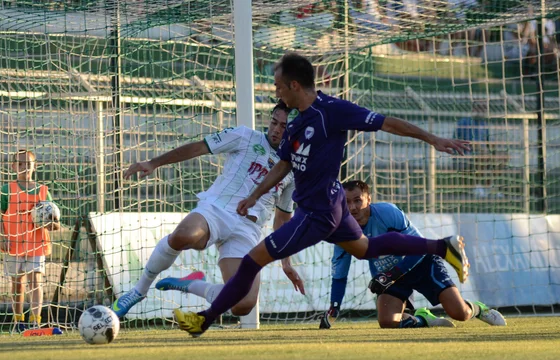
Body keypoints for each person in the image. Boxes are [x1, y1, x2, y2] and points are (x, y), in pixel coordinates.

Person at [173, 52, 472, 337]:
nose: (276, 91)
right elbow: (284, 164)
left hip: (318, 212)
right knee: (365, 248)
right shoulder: (297, 121)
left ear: (294, 85)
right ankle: (442, 247)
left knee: (251, 261)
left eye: (278, 85)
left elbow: (386, 122)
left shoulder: (332, 111)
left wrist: (432, 138)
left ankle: (204, 320)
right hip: (329, 205)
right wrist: (254, 195)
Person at [112, 101, 305, 324]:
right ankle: (138, 290)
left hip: (248, 229)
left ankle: (191, 284)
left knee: (243, 305)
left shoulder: (293, 168)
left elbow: (282, 219)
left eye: (284, 126)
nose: (277, 129)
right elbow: (198, 148)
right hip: (217, 209)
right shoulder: (244, 136)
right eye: (274, 122)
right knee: (184, 236)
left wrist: (286, 262)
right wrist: (154, 162)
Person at [318, 180, 506, 330]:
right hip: (390, 277)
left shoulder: (388, 212)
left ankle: (479, 308)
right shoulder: (343, 231)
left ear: (368, 199)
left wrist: (391, 275)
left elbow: (420, 248)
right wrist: (334, 308)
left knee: (459, 313)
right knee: (387, 323)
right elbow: (340, 274)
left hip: (421, 265)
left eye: (357, 200)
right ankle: (423, 319)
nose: (352, 208)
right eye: (347, 202)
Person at [0, 150, 61, 332]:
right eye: (20, 164)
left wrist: (52, 225)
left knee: (36, 281)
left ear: (34, 166)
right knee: (17, 283)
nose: (25, 167)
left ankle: (36, 321)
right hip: (14, 244)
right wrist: (3, 237)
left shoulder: (42, 191)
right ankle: (18, 322)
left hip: (37, 244)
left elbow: (54, 221)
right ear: (14, 166)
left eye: (28, 164)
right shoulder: (7, 190)